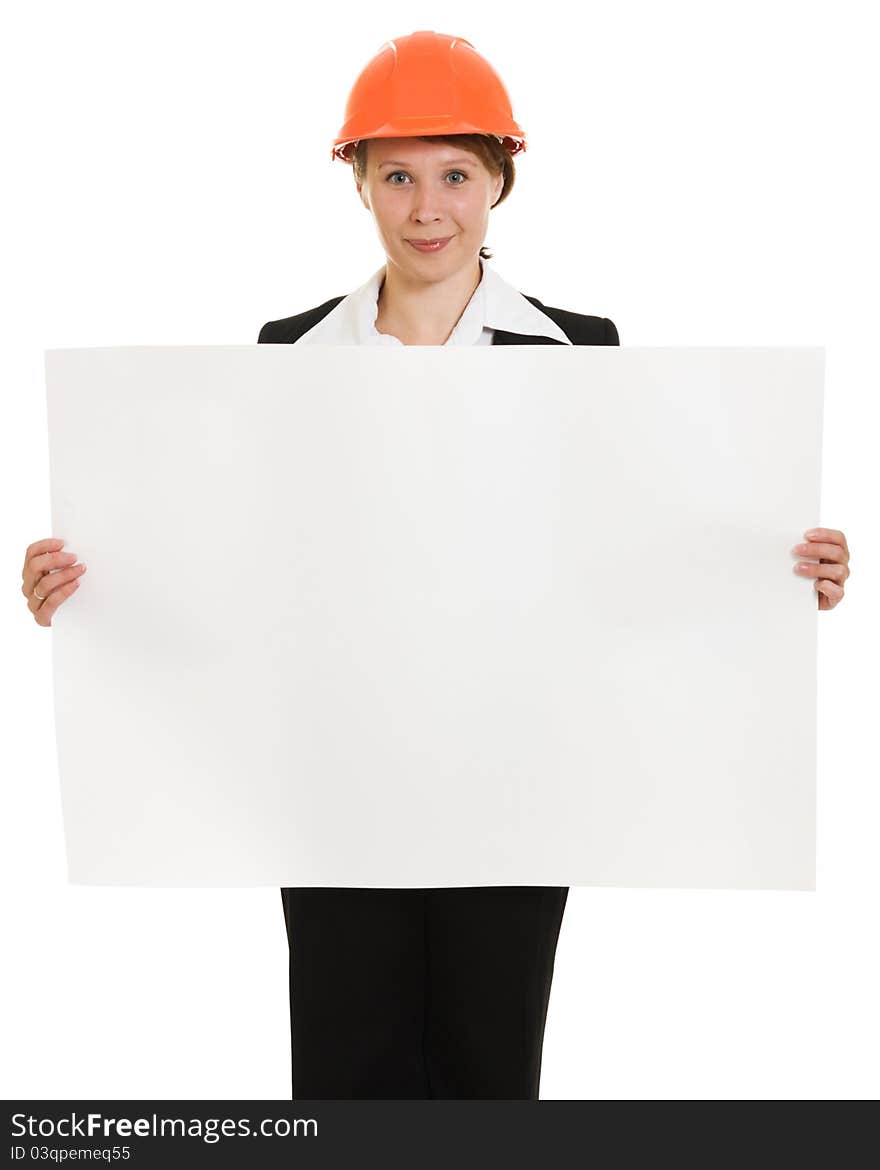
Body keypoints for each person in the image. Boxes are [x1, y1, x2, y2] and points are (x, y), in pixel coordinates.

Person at [21, 30, 852, 1101]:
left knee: (488, 1069)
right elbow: (244, 556)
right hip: (333, 782)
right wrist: (98, 590)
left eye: (456, 175)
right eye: (398, 175)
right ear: (356, 179)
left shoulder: (581, 352)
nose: (427, 208)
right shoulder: (289, 353)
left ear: (499, 181)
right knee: (341, 1068)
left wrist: (773, 575)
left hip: (516, 780)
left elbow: (628, 553)